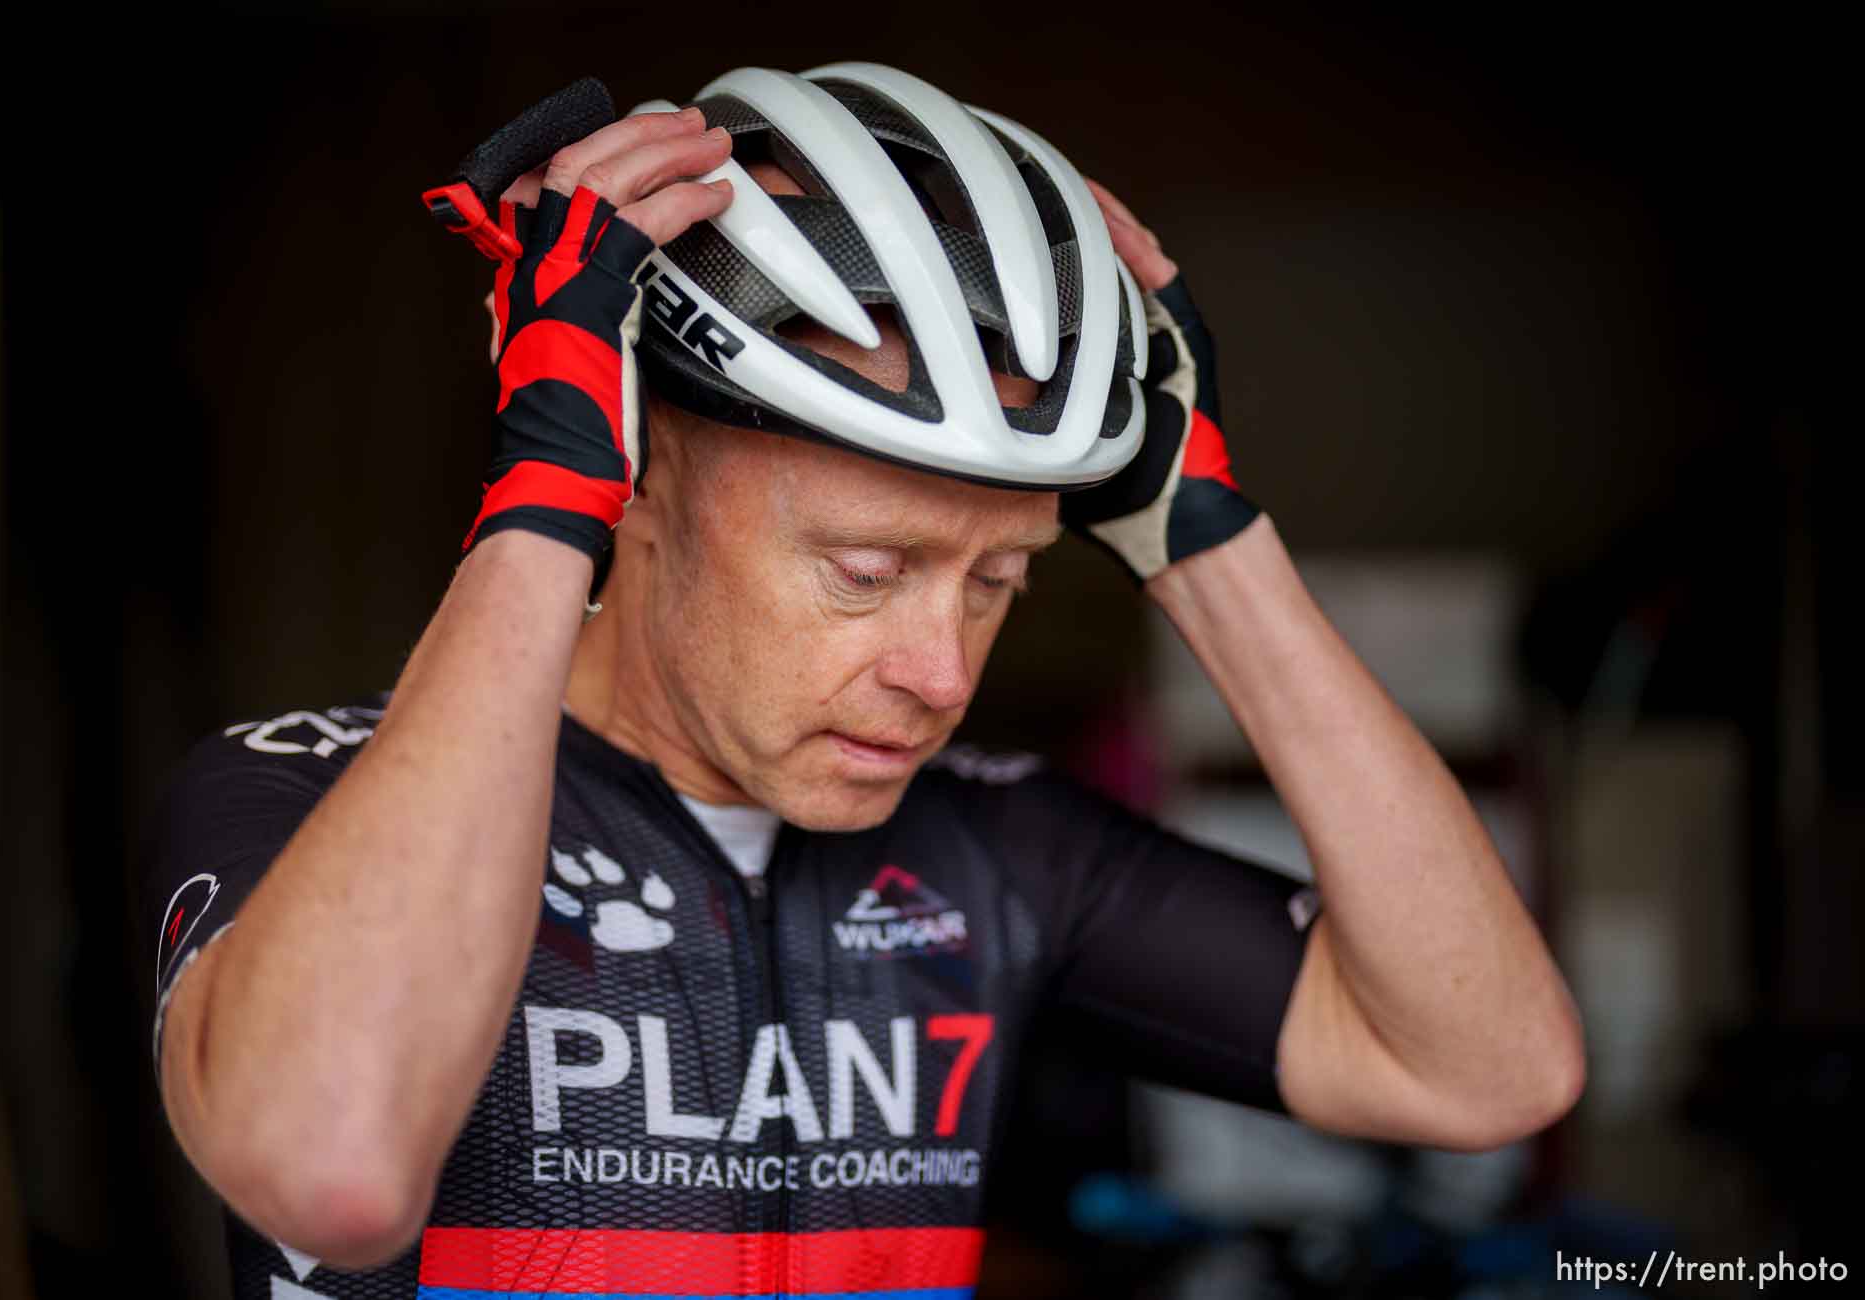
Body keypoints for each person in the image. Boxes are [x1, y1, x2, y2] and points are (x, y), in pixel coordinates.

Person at [140, 64, 1584, 1298]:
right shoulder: (293, 788)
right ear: (634, 482)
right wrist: (541, 496)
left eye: (999, 578)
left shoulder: (997, 849)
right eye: (863, 570)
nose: (940, 672)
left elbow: (1487, 1070)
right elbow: (330, 1170)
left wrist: (1197, 532)